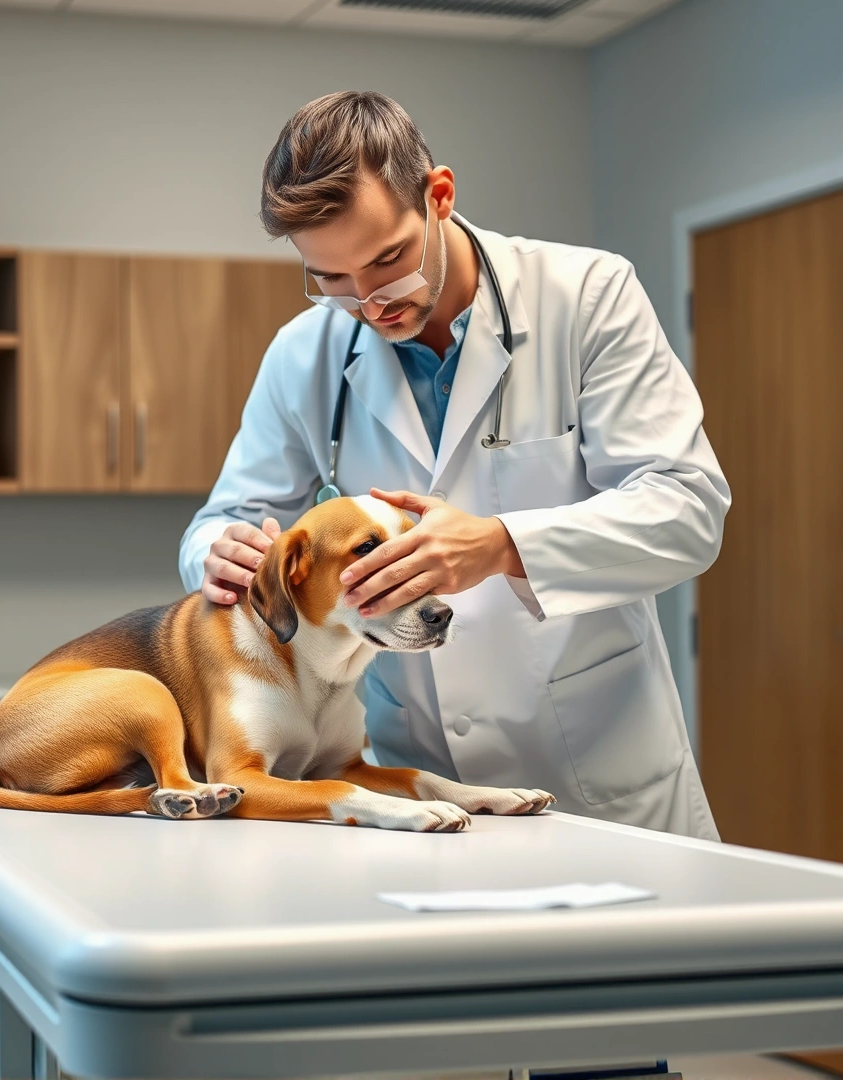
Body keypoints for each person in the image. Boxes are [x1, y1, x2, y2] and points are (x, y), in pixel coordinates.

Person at [179, 92, 730, 839]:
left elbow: (687, 508)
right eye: (332, 279)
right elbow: (226, 517)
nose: (371, 303)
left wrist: (502, 545)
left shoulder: (588, 296)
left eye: (387, 260)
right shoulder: (303, 354)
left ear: (439, 196)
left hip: (596, 775)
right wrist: (216, 554)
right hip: (414, 785)